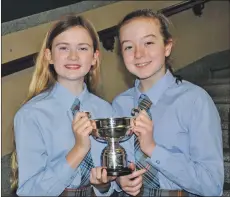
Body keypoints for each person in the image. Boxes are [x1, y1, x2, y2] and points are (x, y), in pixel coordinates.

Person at [112, 9, 224, 196]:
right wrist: (119, 180)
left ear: (167, 47)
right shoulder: (119, 104)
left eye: (148, 42)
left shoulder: (195, 100)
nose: (139, 54)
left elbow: (212, 185)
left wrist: (152, 149)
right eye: (129, 47)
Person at [10, 15, 116, 196]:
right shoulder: (31, 114)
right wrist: (79, 149)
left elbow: (110, 183)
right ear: (49, 56)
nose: (73, 56)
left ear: (94, 57)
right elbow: (29, 191)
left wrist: (103, 185)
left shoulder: (105, 109)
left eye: (82, 48)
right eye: (63, 48)